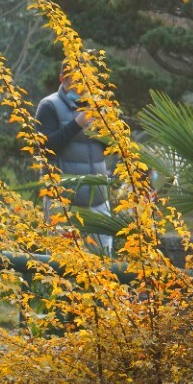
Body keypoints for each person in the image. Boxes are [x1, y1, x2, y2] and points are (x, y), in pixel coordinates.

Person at [35, 60, 112, 253]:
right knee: (61, 264)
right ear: (63, 79)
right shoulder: (49, 106)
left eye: (86, 78)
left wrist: (105, 127)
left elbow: (112, 148)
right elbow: (46, 147)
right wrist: (77, 124)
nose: (83, 84)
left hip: (98, 201)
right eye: (77, 79)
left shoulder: (96, 107)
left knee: (103, 265)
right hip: (64, 203)